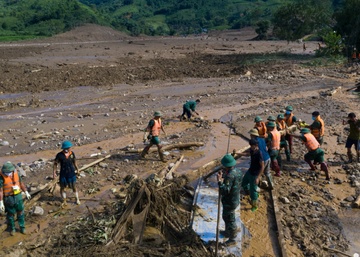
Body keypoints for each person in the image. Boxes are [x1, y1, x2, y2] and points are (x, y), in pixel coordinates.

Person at [217, 154, 243, 246]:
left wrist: (220, 181)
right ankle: (228, 232)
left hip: (229, 201)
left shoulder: (229, 176)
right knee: (227, 217)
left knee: (230, 220)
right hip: (235, 198)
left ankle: (232, 239)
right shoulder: (238, 172)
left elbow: (225, 190)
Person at [0, 161, 31, 236]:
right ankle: (12, 228)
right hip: (8, 198)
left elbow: (21, 183)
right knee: (10, 214)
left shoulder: (16, 174)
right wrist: (1, 202)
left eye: (9, 171)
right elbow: (0, 191)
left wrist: (26, 192)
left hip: (18, 196)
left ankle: (22, 227)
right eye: (6, 172)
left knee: (20, 212)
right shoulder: (1, 178)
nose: (8, 173)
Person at [53, 140, 81, 207]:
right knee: (62, 187)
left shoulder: (72, 154)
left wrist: (77, 169)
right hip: (63, 173)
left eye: (70, 147)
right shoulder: (59, 155)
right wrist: (54, 172)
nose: (70, 149)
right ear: (65, 148)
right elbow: (55, 164)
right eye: (68, 148)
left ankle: (77, 199)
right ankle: (64, 200)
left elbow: (74, 162)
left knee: (74, 186)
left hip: (71, 173)